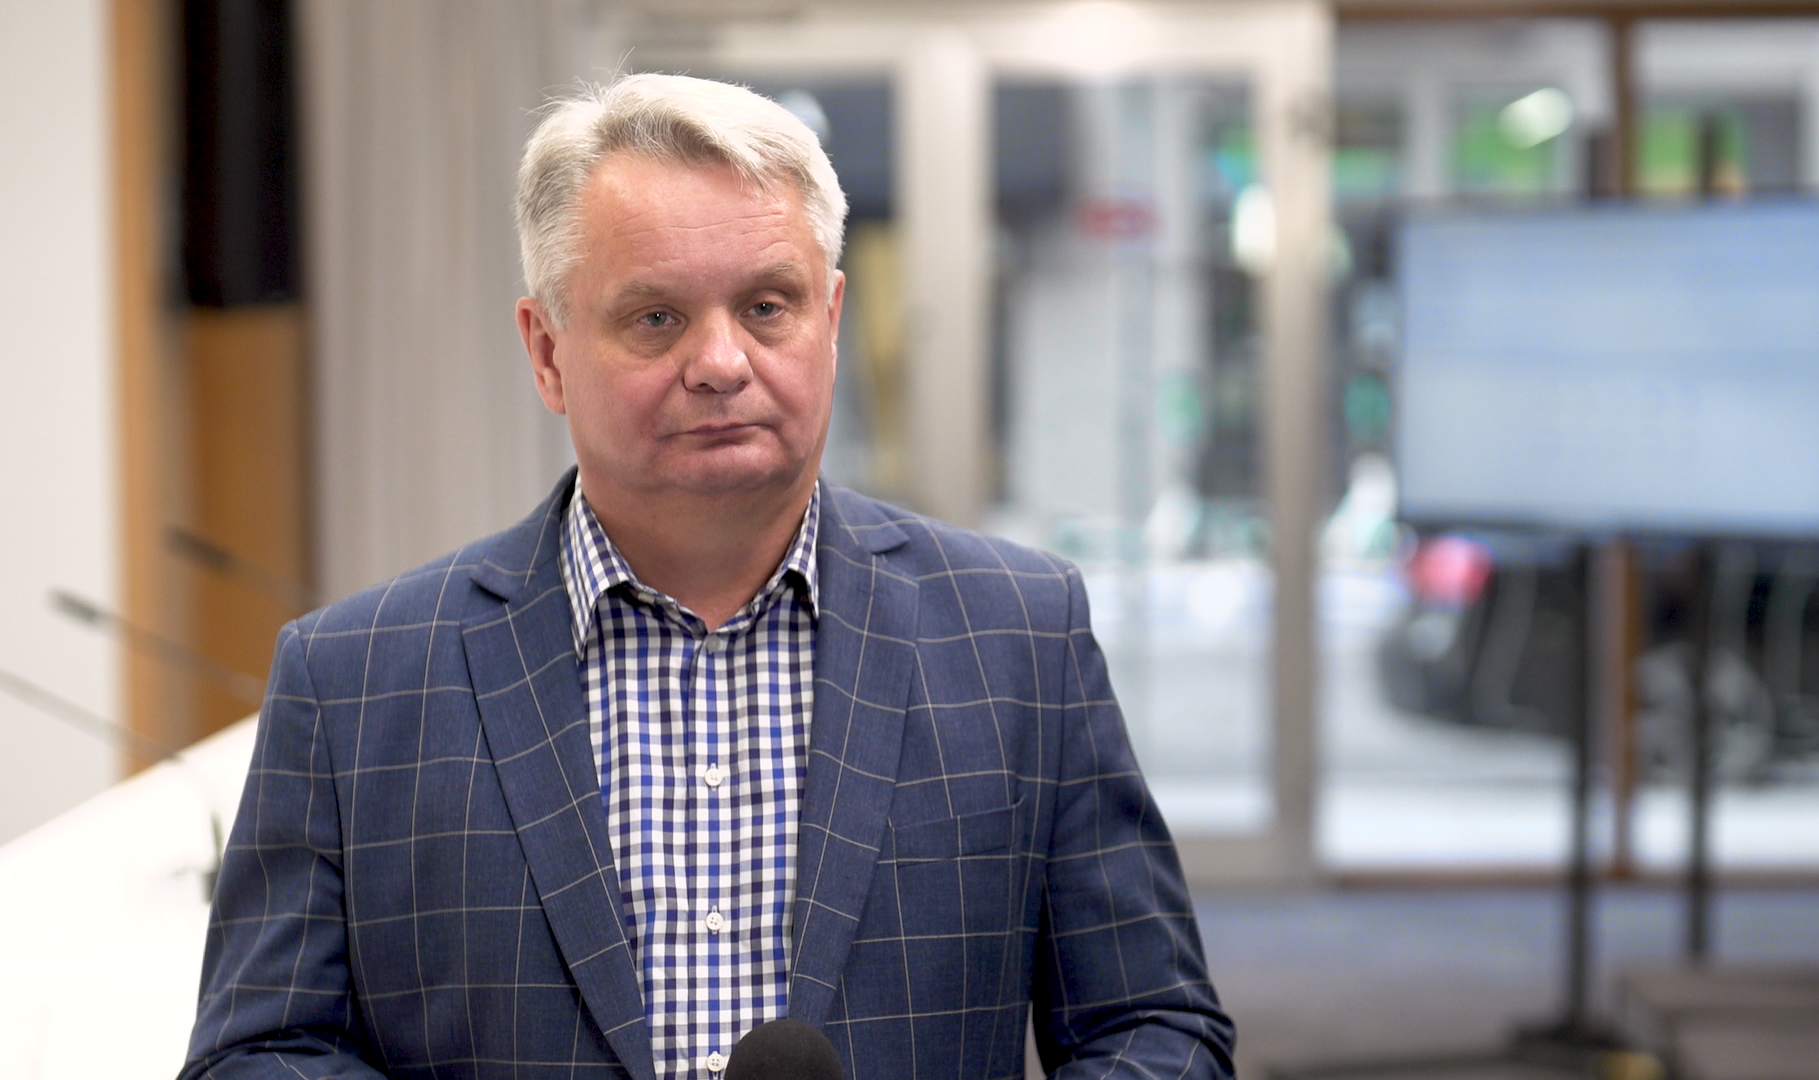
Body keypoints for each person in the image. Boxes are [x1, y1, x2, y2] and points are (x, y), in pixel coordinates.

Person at [181, 73, 1233, 1080]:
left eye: (767, 306)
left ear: (829, 322)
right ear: (546, 352)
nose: (722, 363)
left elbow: (1155, 1026)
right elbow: (256, 1051)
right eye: (656, 318)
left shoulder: (1019, 637)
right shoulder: (353, 682)